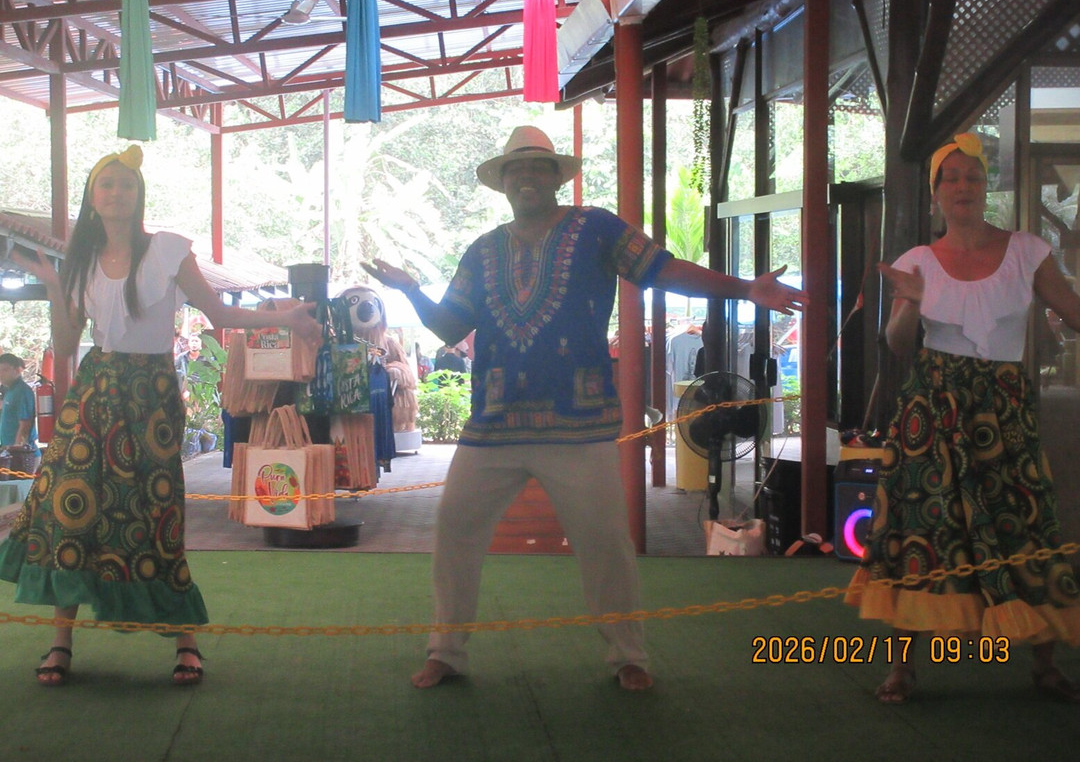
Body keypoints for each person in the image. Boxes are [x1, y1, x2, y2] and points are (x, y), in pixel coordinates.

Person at [363, 125, 807, 691]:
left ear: (556, 177)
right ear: (502, 184)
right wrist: (411, 290)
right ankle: (445, 652)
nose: (526, 177)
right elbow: (451, 324)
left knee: (604, 540)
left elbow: (662, 268)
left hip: (581, 422)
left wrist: (746, 289)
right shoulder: (483, 250)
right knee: (454, 529)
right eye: (516, 170)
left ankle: (629, 656)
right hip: (494, 423)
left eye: (538, 168)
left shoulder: (594, 227)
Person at [0, 144, 321, 687]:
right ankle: (60, 641)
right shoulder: (77, 263)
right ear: (92, 196)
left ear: (138, 194)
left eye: (126, 184)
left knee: (156, 511)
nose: (117, 193)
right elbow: (65, 342)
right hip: (95, 393)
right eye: (107, 184)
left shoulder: (170, 250)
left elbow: (217, 313)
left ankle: (185, 641)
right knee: (71, 506)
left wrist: (287, 318)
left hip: (150, 397)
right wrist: (57, 291)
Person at [846, 132, 1080, 704]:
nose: (963, 187)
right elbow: (899, 345)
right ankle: (902, 668)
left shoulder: (1029, 250)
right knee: (921, 528)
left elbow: (1073, 311)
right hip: (932, 409)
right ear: (935, 194)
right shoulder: (917, 262)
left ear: (987, 185)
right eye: (950, 178)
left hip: (1003, 408)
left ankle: (1045, 663)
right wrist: (911, 301)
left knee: (1023, 519)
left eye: (972, 177)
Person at [0, 353, 40, 461]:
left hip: (23, 457)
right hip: (9, 454)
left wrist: (17, 453)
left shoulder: (22, 391)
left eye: (5, 370)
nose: (1, 374)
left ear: (17, 370)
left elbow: (25, 425)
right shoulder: (9, 391)